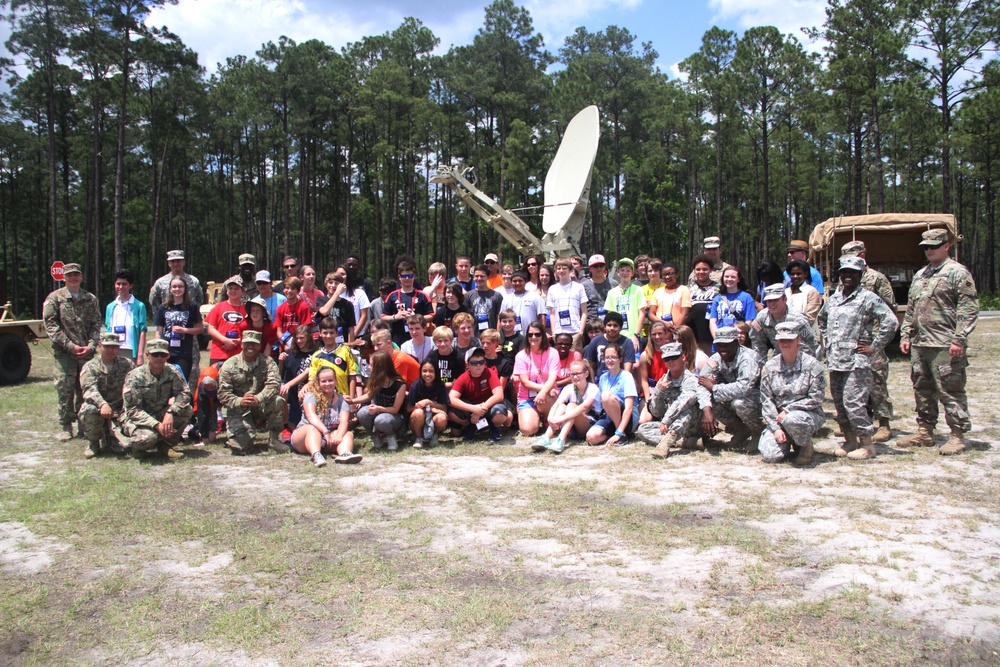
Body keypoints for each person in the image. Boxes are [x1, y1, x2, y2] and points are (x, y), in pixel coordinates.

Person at [898, 228, 979, 455]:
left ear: (946, 246)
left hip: (945, 343)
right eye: (925, 247)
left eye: (933, 246)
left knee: (950, 389)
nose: (929, 250)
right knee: (922, 388)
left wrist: (959, 339)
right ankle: (925, 431)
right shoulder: (921, 274)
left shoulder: (957, 273)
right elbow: (912, 308)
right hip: (921, 342)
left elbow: (968, 309)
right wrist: (906, 335)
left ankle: (957, 435)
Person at [818, 255, 898, 460]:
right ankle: (850, 439)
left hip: (857, 361)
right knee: (840, 403)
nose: (847, 276)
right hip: (836, 360)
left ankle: (867, 444)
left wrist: (874, 346)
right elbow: (822, 319)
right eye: (843, 272)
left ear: (860, 275)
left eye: (852, 273)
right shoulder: (834, 299)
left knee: (854, 403)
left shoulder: (867, 298)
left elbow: (890, 321)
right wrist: (827, 341)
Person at [841, 240, 898, 442]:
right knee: (854, 384)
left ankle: (884, 423)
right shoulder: (844, 279)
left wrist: (876, 343)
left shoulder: (877, 279)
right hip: (850, 342)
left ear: (863, 257)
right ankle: (858, 422)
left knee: (876, 381)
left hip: (871, 340)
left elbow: (889, 309)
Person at [43, 262, 101, 441]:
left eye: (76, 274)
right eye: (69, 275)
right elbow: (51, 325)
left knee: (85, 389)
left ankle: (84, 425)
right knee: (65, 390)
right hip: (65, 355)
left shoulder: (90, 298)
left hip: (86, 354)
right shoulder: (55, 298)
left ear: (81, 276)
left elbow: (96, 324)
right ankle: (66, 426)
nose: (73, 278)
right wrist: (70, 346)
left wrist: (91, 346)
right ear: (64, 278)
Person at [759, 321, 827, 466]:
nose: (785, 343)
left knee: (792, 419)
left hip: (806, 415)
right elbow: (766, 400)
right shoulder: (770, 367)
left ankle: (805, 445)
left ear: (798, 340)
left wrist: (789, 410)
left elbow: (817, 397)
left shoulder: (813, 365)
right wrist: (775, 428)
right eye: (782, 340)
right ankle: (789, 439)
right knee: (770, 456)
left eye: (789, 339)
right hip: (778, 419)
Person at [120, 338, 193, 460]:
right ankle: (136, 447)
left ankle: (165, 446)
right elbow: (133, 410)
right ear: (147, 355)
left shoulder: (172, 371)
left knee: (187, 410)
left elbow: (184, 393)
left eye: (163, 354)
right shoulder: (135, 376)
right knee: (148, 438)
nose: (159, 358)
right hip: (136, 418)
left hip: (160, 413)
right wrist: (156, 425)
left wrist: (171, 412)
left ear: (168, 356)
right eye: (155, 354)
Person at [217, 330, 288, 455]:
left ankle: (274, 439)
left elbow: (274, 384)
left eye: (254, 344)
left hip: (260, 405)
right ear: (241, 345)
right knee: (242, 449)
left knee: (277, 400)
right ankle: (240, 436)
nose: (250, 347)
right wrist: (240, 401)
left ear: (259, 346)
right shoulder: (229, 365)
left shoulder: (267, 362)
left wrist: (259, 398)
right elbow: (223, 393)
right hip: (238, 408)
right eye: (247, 343)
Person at [698, 327, 765, 453]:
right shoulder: (715, 359)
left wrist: (714, 387)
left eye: (727, 345)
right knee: (710, 400)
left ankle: (758, 431)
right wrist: (706, 410)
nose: (723, 349)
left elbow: (744, 387)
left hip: (757, 398)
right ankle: (741, 430)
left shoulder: (748, 358)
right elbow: (702, 383)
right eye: (719, 345)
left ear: (736, 342)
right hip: (733, 395)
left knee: (739, 403)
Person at [636, 342, 706, 457]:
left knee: (685, 410)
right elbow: (656, 412)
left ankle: (666, 444)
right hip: (671, 424)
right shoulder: (664, 380)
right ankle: (686, 442)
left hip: (693, 424)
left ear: (683, 357)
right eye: (667, 359)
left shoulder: (690, 380)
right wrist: (659, 392)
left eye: (674, 357)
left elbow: (682, 403)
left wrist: (666, 420)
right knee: (644, 429)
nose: (671, 362)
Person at [78, 332, 135, 458]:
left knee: (126, 447)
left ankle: (110, 437)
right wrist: (102, 404)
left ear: (118, 348)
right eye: (107, 346)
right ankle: (93, 443)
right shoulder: (90, 366)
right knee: (90, 409)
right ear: (99, 346)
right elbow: (89, 389)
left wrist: (126, 409)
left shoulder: (127, 364)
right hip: (99, 410)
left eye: (114, 347)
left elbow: (134, 388)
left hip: (120, 411)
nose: (110, 350)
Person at [292, 366, 361, 467]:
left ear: (336, 381)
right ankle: (316, 455)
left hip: (327, 439)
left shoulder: (342, 400)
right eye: (324, 381)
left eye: (330, 380)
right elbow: (311, 415)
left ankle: (345, 454)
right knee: (312, 429)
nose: (327, 384)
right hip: (305, 437)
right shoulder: (311, 396)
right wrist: (325, 432)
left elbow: (344, 421)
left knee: (347, 434)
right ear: (318, 382)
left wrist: (339, 436)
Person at [532, 359, 601, 454]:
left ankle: (561, 439)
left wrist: (560, 419)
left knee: (571, 406)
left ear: (586, 374)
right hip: (571, 425)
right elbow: (557, 403)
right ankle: (546, 437)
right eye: (572, 374)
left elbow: (584, 407)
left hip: (588, 424)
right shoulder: (568, 388)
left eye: (578, 373)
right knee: (561, 407)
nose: (575, 377)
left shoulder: (593, 388)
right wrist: (550, 418)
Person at [448, 347, 512, 442]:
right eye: (474, 363)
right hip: (472, 408)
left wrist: (479, 410)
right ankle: (471, 425)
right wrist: (473, 409)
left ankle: (495, 427)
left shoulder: (490, 372)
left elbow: (499, 395)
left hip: (490, 406)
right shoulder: (463, 377)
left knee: (503, 415)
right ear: (467, 364)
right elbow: (451, 399)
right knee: (452, 414)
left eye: (481, 362)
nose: (478, 365)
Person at [349, 350, 407, 451]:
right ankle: (374, 435)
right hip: (378, 412)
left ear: (380, 367)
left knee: (381, 420)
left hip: (394, 417)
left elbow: (395, 409)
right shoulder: (376, 381)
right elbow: (368, 396)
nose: (368, 367)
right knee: (362, 413)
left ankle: (391, 436)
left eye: (371, 365)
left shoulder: (399, 384)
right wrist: (352, 401)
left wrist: (378, 408)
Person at [585, 343, 638, 447]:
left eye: (613, 357)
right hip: (609, 415)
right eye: (607, 357)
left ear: (620, 359)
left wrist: (619, 431)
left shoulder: (626, 376)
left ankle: (621, 433)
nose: (610, 360)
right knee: (591, 437)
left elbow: (629, 408)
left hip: (627, 417)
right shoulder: (603, 378)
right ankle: (614, 436)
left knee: (606, 396)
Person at [514, 321, 560, 436]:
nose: (533, 337)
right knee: (528, 430)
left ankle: (546, 419)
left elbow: (553, 378)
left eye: (537, 334)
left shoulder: (553, 353)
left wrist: (544, 392)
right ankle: (534, 418)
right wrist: (544, 390)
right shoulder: (521, 355)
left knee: (550, 395)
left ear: (543, 335)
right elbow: (525, 382)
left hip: (548, 396)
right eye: (530, 335)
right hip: (527, 397)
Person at [749, 284, 818, 362]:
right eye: (769, 301)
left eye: (775, 300)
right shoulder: (762, 318)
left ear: (784, 299)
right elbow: (757, 341)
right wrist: (760, 364)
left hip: (799, 358)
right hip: (779, 357)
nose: (772, 304)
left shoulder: (798, 319)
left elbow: (809, 344)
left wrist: (806, 366)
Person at [155, 276, 204, 380]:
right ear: (170, 289)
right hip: (167, 352)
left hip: (184, 352)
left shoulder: (192, 306)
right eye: (174, 286)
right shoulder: (163, 307)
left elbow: (200, 329)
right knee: (165, 382)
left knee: (181, 381)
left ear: (185, 289)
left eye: (180, 286)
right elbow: (159, 331)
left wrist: (184, 330)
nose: (177, 289)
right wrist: (158, 348)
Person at [382, 260, 433, 346]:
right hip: (397, 338)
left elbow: (431, 315)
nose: (407, 279)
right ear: (399, 277)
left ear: (414, 276)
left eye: (410, 276)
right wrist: (396, 317)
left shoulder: (422, 295)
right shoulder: (392, 296)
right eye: (404, 276)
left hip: (418, 338)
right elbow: (383, 316)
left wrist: (416, 317)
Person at [105, 268, 147, 365]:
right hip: (113, 349)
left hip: (129, 350)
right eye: (118, 284)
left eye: (124, 284)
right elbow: (107, 330)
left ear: (131, 285)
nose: (120, 287)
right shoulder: (110, 307)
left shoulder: (139, 306)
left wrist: (140, 355)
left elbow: (142, 331)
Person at [279, 325, 316, 433]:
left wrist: (288, 385)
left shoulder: (315, 354)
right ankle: (286, 427)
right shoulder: (290, 353)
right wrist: (281, 362)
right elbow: (280, 375)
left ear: (308, 338)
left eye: (302, 338)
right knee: (282, 391)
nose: (299, 341)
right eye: (297, 338)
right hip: (290, 391)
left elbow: (307, 373)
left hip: (307, 388)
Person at [407, 359, 450, 448]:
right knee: (418, 413)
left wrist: (429, 403)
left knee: (442, 418)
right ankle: (418, 438)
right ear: (420, 372)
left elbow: (444, 408)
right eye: (424, 371)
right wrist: (424, 408)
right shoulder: (416, 385)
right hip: (418, 420)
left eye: (431, 371)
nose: (427, 374)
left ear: (436, 372)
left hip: (433, 418)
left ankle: (433, 435)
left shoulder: (440, 385)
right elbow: (408, 408)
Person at [604, 258, 646, 346]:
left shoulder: (638, 290)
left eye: (628, 270)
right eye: (622, 270)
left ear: (633, 273)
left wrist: (636, 335)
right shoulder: (611, 293)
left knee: (635, 360)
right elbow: (610, 316)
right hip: (617, 336)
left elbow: (642, 314)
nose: (625, 273)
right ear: (617, 272)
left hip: (633, 336)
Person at [205, 275, 246, 364]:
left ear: (242, 292)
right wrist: (225, 340)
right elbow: (211, 329)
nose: (233, 291)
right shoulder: (218, 307)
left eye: (236, 288)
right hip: (219, 353)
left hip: (239, 354)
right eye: (230, 288)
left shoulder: (247, 309)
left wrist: (238, 341)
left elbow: (250, 329)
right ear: (226, 291)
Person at [708, 266, 757, 339]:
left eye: (733, 277)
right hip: (720, 340)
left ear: (738, 279)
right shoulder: (717, 298)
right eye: (726, 276)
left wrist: (740, 337)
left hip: (738, 340)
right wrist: (717, 339)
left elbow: (749, 321)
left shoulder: (747, 297)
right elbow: (712, 322)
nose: (729, 279)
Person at [638, 320, 673, 423]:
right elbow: (644, 380)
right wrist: (648, 399)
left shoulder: (672, 352)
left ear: (666, 334)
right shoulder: (645, 355)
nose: (657, 337)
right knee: (643, 421)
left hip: (669, 390)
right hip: (652, 390)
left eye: (660, 333)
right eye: (654, 334)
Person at [584, 311, 635, 381]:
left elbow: (628, 367)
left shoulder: (627, 342)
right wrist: (593, 384)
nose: (612, 328)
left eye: (615, 325)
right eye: (609, 325)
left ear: (621, 328)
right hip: (599, 380)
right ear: (604, 327)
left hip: (620, 380)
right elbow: (590, 366)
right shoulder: (595, 341)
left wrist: (622, 382)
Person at [149, 249, 203, 314]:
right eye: (172, 261)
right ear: (169, 263)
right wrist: (160, 317)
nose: (175, 264)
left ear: (184, 262)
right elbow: (153, 301)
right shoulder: (160, 282)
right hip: (167, 319)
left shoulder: (193, 281)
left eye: (178, 261)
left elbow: (200, 299)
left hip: (189, 320)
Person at [547, 257, 589, 339]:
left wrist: (581, 331)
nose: (561, 271)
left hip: (575, 331)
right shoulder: (552, 289)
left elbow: (584, 312)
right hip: (559, 331)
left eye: (564, 268)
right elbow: (552, 313)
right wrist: (553, 332)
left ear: (570, 270)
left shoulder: (579, 287)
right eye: (558, 268)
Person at [687, 253, 720, 355]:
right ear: (694, 271)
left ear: (711, 270)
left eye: (705, 269)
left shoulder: (719, 288)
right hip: (693, 334)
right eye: (698, 269)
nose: (701, 272)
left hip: (712, 334)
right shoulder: (687, 288)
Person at [316, 271, 357, 344]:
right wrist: (337, 293)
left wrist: (350, 345)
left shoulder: (347, 304)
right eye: (330, 282)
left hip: (342, 342)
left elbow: (350, 328)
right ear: (326, 284)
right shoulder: (320, 300)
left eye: (336, 283)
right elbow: (324, 312)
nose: (333, 285)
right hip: (324, 342)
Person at [649, 262, 690, 336]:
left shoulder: (684, 289)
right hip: (660, 333)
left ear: (677, 274)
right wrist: (663, 323)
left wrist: (676, 331)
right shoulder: (658, 291)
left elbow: (685, 314)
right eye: (664, 274)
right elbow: (651, 314)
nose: (667, 277)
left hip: (678, 332)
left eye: (670, 273)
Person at [501, 270, 546, 335]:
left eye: (520, 281)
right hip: (511, 336)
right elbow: (501, 318)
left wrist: (542, 334)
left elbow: (542, 317)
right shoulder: (506, 299)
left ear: (525, 282)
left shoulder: (535, 296)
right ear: (511, 282)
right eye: (514, 281)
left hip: (531, 336)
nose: (517, 283)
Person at [465, 264, 504, 332]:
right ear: (473, 277)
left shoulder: (497, 296)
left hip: (491, 334)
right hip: (474, 335)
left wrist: (498, 334)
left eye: (482, 276)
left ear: (488, 277)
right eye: (476, 276)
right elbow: (466, 317)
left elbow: (499, 318)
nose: (479, 278)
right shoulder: (468, 296)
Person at [581, 254, 617, 319]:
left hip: (610, 324)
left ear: (605, 267)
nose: (599, 268)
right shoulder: (583, 286)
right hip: (590, 325)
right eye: (595, 266)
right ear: (590, 268)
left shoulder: (614, 284)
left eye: (601, 265)